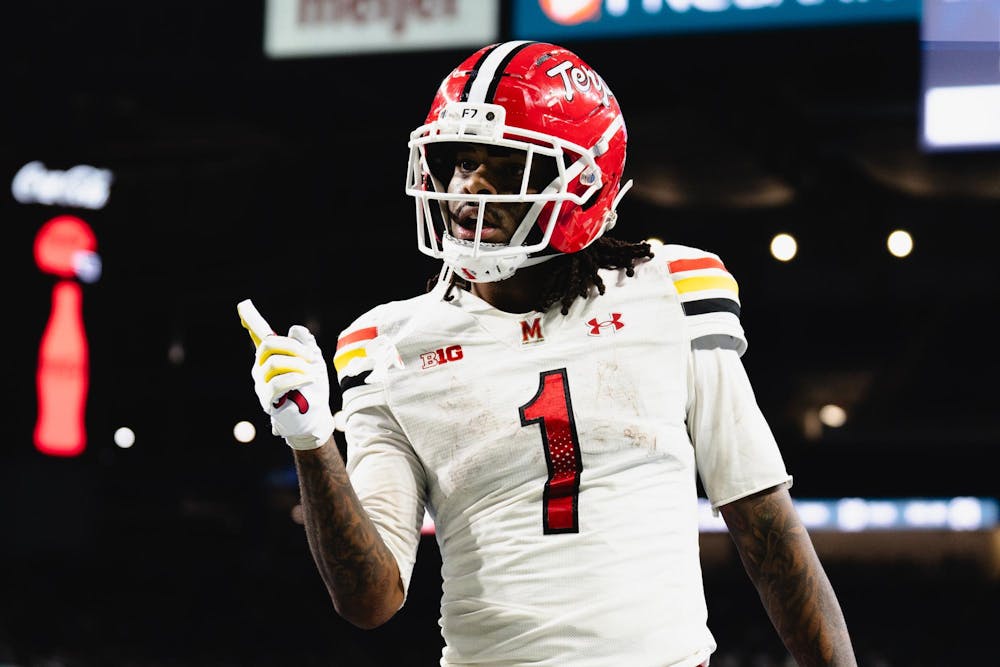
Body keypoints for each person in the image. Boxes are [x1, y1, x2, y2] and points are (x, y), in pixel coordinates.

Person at [242, 40, 857, 666]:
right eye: (459, 162)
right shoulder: (390, 345)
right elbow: (370, 600)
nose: (466, 188)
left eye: (506, 166)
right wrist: (311, 440)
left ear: (584, 184)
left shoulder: (671, 290)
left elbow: (764, 523)